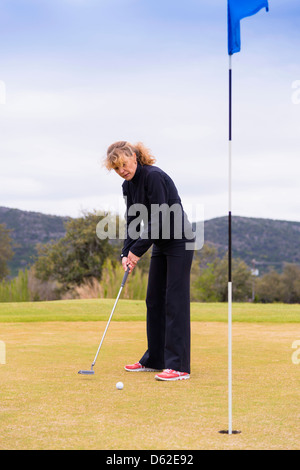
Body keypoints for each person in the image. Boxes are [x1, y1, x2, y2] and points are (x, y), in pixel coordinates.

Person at [104, 141, 195, 381]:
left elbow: (160, 217)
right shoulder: (128, 186)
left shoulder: (153, 176)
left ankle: (179, 366)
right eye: (117, 168)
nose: (122, 170)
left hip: (179, 241)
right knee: (154, 300)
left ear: (134, 157)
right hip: (161, 243)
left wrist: (138, 251)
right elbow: (133, 220)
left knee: (175, 302)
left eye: (124, 164)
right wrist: (126, 252)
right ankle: (155, 360)